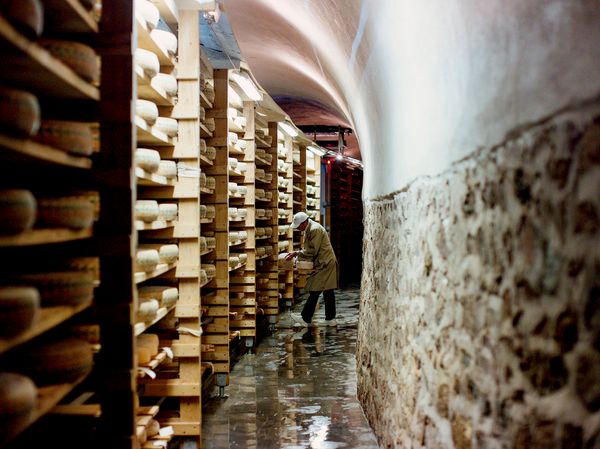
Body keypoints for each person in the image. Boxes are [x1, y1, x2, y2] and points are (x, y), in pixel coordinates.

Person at [286, 211, 339, 326]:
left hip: (325, 263)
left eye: (298, 226)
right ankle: (331, 319)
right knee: (328, 291)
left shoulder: (314, 229)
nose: (297, 229)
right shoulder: (308, 229)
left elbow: (313, 251)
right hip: (323, 262)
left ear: (304, 223)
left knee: (315, 289)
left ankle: (306, 318)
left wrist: (296, 253)